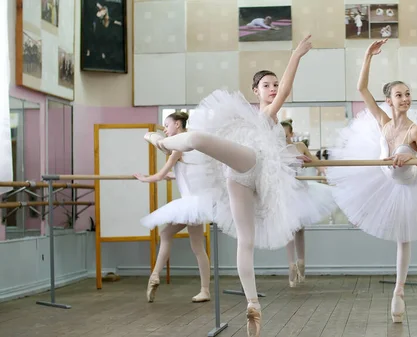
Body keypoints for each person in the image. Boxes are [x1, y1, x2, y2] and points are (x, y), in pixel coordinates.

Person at [144, 35, 314, 337]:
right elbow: (286, 93)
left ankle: (253, 305)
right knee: (197, 141)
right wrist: (296, 55)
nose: (273, 89)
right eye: (267, 85)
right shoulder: (263, 113)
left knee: (245, 240)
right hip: (243, 170)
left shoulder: (272, 120)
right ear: (255, 91)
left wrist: (302, 154)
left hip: (259, 178)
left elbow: (290, 144)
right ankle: (161, 140)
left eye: (275, 85)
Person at [326, 39, 417, 324]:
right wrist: (368, 55)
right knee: (410, 136)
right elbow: (361, 89)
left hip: (409, 180)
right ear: (388, 101)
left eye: (407, 94)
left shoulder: (416, 131)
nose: (405, 98)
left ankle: (399, 290)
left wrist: (412, 159)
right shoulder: (382, 122)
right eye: (399, 95)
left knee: (403, 238)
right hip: (384, 178)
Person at [134, 112, 214, 304]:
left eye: (167, 125)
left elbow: (161, 175)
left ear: (177, 124)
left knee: (183, 241)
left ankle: (158, 276)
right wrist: (172, 175)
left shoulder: (179, 146)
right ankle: (156, 276)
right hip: (196, 203)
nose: (165, 129)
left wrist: (144, 178)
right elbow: (186, 173)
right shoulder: (191, 144)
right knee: (172, 237)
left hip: (190, 204)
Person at [280, 119, 336, 287]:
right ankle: (291, 266)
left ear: (291, 134)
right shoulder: (276, 151)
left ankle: (301, 263)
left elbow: (316, 163)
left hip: (302, 190)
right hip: (286, 192)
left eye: (285, 134)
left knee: (299, 229)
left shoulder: (300, 147)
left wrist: (325, 172)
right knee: (289, 229)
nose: (282, 138)